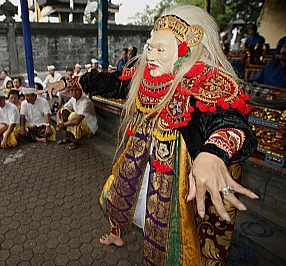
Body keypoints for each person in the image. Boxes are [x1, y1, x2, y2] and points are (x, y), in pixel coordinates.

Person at [96, 5, 258, 265]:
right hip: (141, 162)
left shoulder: (202, 82)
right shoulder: (146, 75)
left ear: (187, 51)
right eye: (150, 46)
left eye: (160, 49)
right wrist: (77, 82)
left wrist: (213, 153)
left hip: (179, 179)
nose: (150, 55)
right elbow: (113, 83)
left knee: (172, 235)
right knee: (121, 197)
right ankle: (118, 232)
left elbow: (228, 119)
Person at [56, 86, 98, 150]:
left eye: (77, 90)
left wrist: (62, 125)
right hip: (79, 122)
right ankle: (69, 136)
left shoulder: (86, 102)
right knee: (63, 111)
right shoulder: (73, 99)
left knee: (73, 116)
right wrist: (58, 122)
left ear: (81, 91)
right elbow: (59, 110)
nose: (74, 92)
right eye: (72, 90)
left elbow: (77, 121)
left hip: (89, 128)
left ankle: (76, 141)